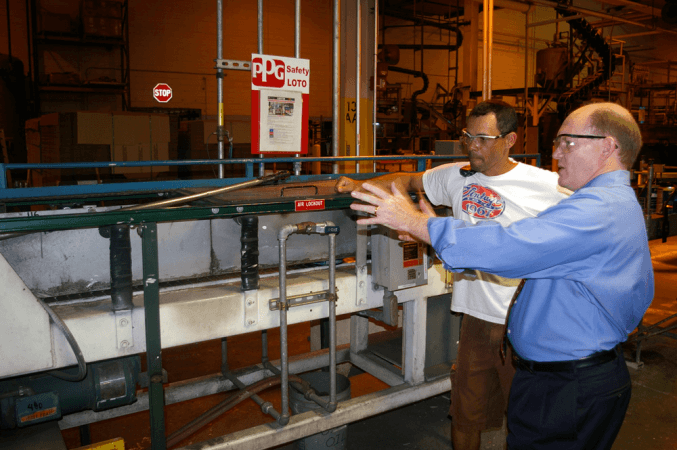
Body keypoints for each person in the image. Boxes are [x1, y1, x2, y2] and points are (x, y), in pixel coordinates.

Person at [349, 102, 654, 450]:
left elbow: (511, 247)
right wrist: (432, 234)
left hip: (569, 384)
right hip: (566, 374)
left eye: (568, 142)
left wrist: (417, 223)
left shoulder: (597, 210)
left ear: (608, 147)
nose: (556, 154)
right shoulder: (608, 202)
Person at [336, 99, 569, 450]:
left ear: (510, 140)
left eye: (483, 139)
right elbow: (407, 180)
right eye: (467, 137)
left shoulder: (547, 185)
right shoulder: (455, 175)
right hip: (475, 318)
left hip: (525, 320)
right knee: (464, 413)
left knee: (528, 420)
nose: (472, 146)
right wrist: (361, 184)